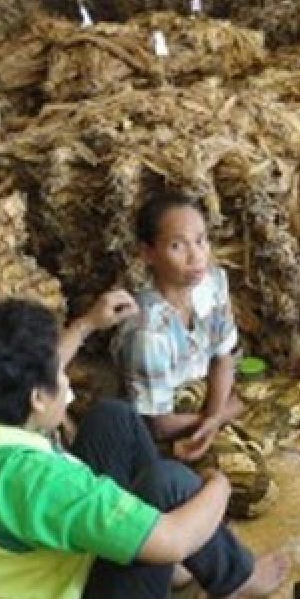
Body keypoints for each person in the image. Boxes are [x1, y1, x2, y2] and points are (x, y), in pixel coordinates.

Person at [0, 298, 289, 599]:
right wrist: (218, 484)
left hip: (48, 584)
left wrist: (85, 325)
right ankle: (236, 580)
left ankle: (171, 569)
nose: (66, 381)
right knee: (172, 484)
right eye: (59, 376)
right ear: (36, 397)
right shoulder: (37, 482)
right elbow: (172, 539)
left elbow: (27, 378)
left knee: (113, 418)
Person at [112, 193, 243, 463]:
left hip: (208, 401)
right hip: (173, 423)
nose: (196, 256)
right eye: (177, 246)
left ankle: (232, 426)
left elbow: (223, 357)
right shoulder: (148, 332)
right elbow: (159, 425)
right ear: (148, 253)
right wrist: (223, 414)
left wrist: (216, 416)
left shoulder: (213, 282)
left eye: (200, 240)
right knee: (257, 484)